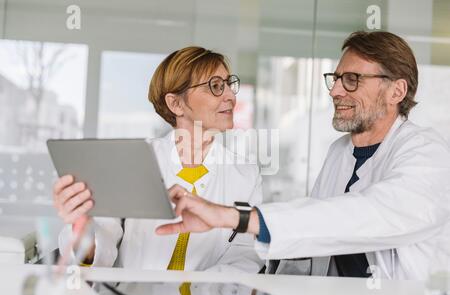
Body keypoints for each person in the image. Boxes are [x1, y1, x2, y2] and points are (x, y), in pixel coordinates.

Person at [156, 31, 450, 281]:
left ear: (396, 91)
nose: (335, 90)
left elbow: (370, 214)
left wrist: (236, 217)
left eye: (351, 79)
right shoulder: (340, 153)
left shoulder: (427, 153)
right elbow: (314, 241)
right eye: (335, 79)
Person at [53, 47, 264, 282]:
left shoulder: (246, 175)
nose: (231, 96)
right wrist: (82, 225)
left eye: (228, 84)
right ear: (175, 103)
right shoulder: (134, 161)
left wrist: (192, 294)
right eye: (215, 86)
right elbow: (101, 245)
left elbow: (245, 256)